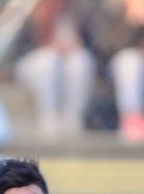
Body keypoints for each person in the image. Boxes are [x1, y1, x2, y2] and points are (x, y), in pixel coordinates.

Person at [84, 0, 144, 142]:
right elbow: (105, 47)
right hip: (115, 68)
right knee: (130, 60)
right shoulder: (108, 10)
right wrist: (129, 23)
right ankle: (131, 117)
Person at [13, 0, 96, 136]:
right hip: (36, 62)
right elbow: (20, 48)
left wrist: (73, 46)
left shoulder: (79, 12)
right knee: (49, 60)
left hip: (68, 61)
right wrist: (52, 47)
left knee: (80, 60)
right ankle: (49, 116)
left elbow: (92, 45)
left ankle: (72, 118)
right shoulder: (32, 11)